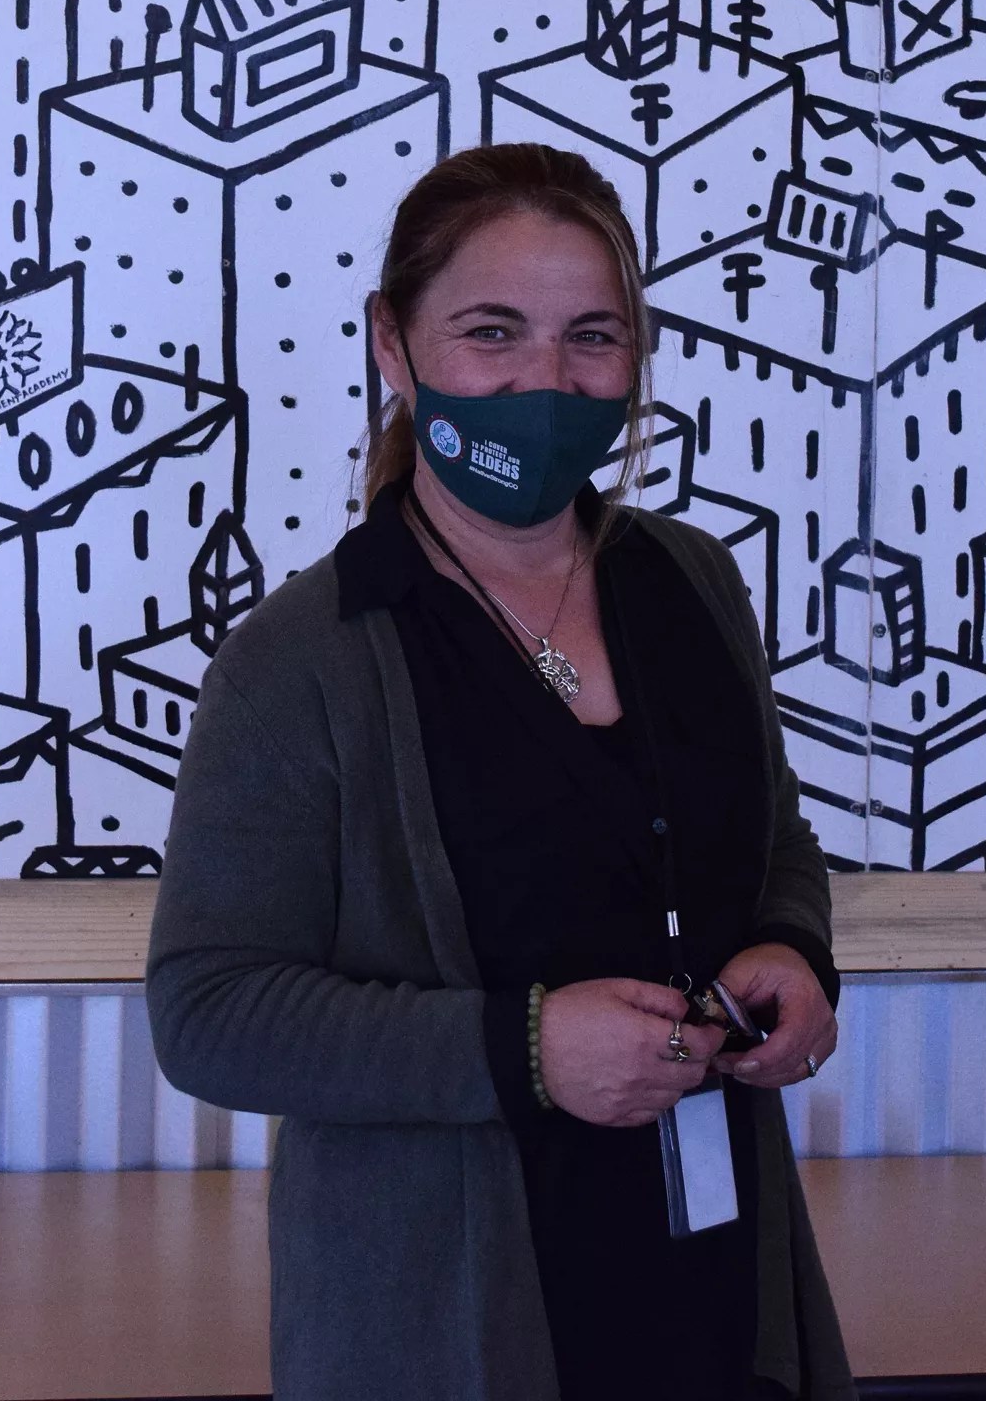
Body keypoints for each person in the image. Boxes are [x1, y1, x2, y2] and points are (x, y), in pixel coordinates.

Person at [148, 143, 854, 1401]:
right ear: (393, 344)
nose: (546, 380)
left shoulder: (693, 583)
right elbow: (210, 1015)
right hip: (445, 1327)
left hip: (719, 1289)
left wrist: (792, 951)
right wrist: (525, 1051)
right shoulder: (300, 663)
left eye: (593, 337)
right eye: (492, 332)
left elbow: (776, 840)